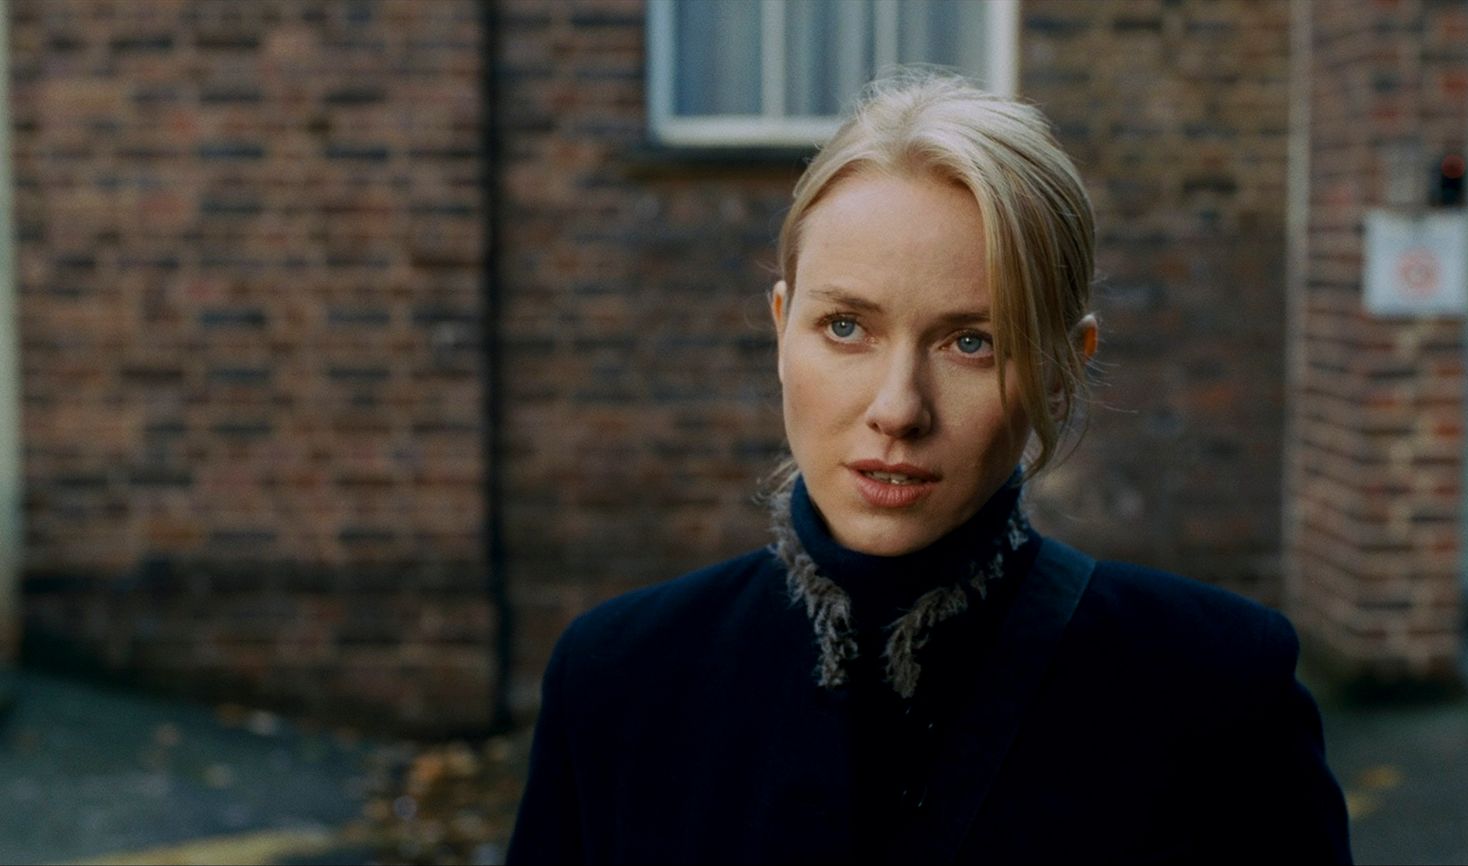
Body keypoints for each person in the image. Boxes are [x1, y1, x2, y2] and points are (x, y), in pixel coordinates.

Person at [506, 72, 1352, 864]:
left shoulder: (1217, 691)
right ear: (781, 328)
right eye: (846, 328)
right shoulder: (617, 683)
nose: (899, 408)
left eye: (971, 343)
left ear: (1063, 366)